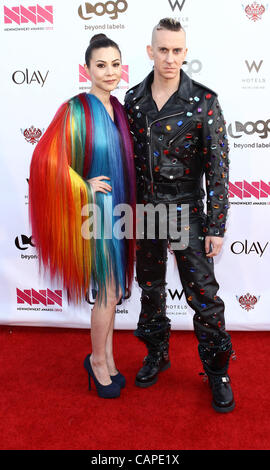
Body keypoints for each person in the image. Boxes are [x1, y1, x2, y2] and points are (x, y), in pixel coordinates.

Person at [124, 18, 235, 412]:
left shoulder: (203, 101)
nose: (169, 58)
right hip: (146, 210)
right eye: (163, 49)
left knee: (204, 297)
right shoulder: (133, 101)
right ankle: (156, 354)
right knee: (151, 289)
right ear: (150, 51)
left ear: (185, 54)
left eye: (177, 50)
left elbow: (219, 169)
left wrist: (216, 225)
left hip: (186, 209)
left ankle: (218, 371)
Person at [29, 34, 136, 399]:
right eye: (101, 65)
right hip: (99, 210)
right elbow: (46, 160)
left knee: (115, 290)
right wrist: (84, 184)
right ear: (87, 69)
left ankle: (108, 357)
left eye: (115, 64)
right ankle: (97, 362)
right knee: (107, 291)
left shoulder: (118, 109)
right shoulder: (76, 108)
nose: (109, 72)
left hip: (121, 209)